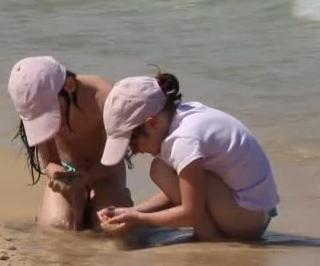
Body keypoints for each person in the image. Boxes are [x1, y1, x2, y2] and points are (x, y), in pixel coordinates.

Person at [97, 72, 279, 241]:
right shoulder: (184, 116)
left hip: (247, 219)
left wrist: (138, 218)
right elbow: (185, 190)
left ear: (152, 124)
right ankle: (211, 233)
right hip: (255, 211)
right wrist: (131, 211)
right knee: (161, 169)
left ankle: (210, 238)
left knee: (160, 170)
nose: (136, 151)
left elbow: (191, 213)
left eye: (133, 143)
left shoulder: (183, 140)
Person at [7, 56, 133, 230]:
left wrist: (86, 177)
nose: (54, 125)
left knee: (110, 228)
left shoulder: (104, 97)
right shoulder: (35, 104)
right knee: (57, 226)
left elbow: (119, 154)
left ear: (70, 85)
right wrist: (62, 176)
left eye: (52, 114)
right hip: (69, 173)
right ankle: (79, 206)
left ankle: (118, 197)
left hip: (106, 173)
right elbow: (51, 162)